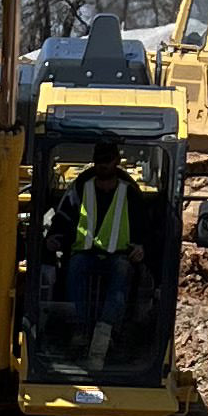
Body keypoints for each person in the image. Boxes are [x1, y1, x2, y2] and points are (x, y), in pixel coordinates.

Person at [52, 142, 140, 365]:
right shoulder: (81, 188)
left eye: (107, 161)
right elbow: (63, 217)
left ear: (115, 162)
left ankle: (105, 333)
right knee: (75, 267)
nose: (103, 166)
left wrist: (142, 247)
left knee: (122, 272)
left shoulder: (129, 192)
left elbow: (146, 226)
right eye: (99, 161)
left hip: (119, 256)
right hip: (85, 254)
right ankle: (79, 329)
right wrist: (55, 237)